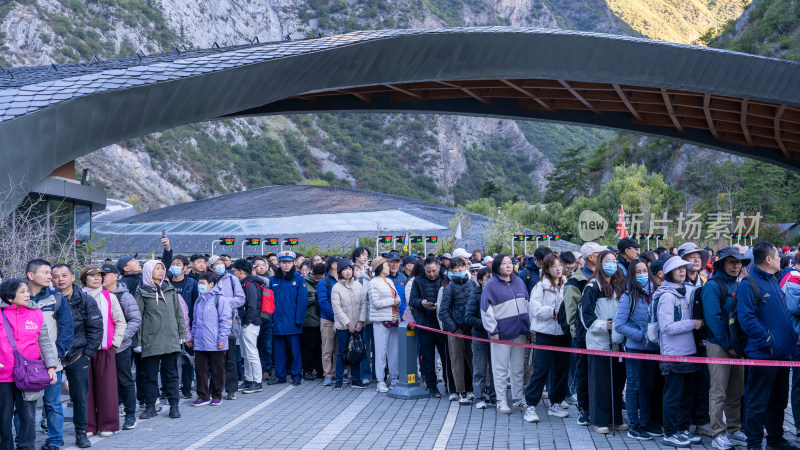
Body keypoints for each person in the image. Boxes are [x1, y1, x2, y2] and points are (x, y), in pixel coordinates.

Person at [738, 241, 799, 450]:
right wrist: (767, 340)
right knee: (757, 403)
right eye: (777, 255)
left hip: (782, 356)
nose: (781, 259)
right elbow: (747, 319)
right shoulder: (749, 284)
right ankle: (754, 443)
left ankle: (775, 439)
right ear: (768, 259)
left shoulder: (773, 281)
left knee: (778, 402)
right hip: (764, 356)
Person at [0, 279, 59, 450]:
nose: (28, 294)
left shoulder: (36, 313)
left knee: (28, 418)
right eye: (22, 292)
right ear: (10, 297)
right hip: (3, 376)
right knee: (3, 418)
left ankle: (26, 447)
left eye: (27, 291)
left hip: (29, 375)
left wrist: (51, 367)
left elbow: (45, 343)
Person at [702, 247, 750, 449]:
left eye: (738, 262)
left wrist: (737, 346)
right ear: (721, 264)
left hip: (737, 347)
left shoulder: (739, 284)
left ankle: (734, 428)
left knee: (736, 390)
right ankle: (718, 433)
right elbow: (714, 319)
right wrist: (728, 345)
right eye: (731, 262)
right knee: (718, 391)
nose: (736, 266)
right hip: (718, 345)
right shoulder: (713, 286)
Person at [51, 263, 103, 448]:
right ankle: (53, 434)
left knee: (80, 396)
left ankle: (81, 432)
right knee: (51, 396)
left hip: (78, 353)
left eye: (64, 275)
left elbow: (96, 328)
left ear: (72, 277)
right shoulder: (48, 300)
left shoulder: (85, 300)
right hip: (53, 355)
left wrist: (88, 353)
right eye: (56, 276)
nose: (60, 280)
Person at [655, 256, 704, 448]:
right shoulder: (667, 295)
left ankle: (682, 429)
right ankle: (670, 432)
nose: (683, 272)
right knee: (673, 396)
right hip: (673, 354)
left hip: (688, 352)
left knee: (686, 394)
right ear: (669, 273)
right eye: (678, 269)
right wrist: (692, 324)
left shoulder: (682, 292)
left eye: (684, 268)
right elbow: (666, 327)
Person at [25, 259, 73, 450]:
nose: (49, 277)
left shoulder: (57, 299)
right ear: (31, 275)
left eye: (49, 273)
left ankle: (54, 441)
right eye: (45, 273)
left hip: (51, 362)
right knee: (24, 405)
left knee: (53, 403)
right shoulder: (17, 297)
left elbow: (67, 329)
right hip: (25, 364)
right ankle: (24, 441)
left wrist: (57, 353)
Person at [614, 258, 661, 441]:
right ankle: (634, 425)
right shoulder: (628, 296)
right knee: (634, 386)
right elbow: (619, 325)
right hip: (635, 349)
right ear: (631, 276)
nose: (642, 275)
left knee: (648, 387)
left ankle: (646, 422)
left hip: (653, 348)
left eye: (644, 271)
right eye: (637, 272)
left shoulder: (656, 292)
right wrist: (641, 335)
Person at [134, 260, 187, 420]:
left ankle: (174, 406)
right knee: (149, 376)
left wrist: (182, 334)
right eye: (157, 269)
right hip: (151, 340)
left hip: (170, 338)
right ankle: (150, 407)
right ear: (149, 271)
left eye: (162, 269)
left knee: (171, 374)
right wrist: (138, 342)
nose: (161, 271)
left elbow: (179, 313)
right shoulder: (142, 291)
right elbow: (138, 318)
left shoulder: (170, 290)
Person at [581, 250, 627, 435]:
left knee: (617, 383)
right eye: (607, 261)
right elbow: (586, 317)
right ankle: (599, 420)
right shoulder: (592, 286)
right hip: (599, 342)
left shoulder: (620, 285)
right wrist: (603, 325)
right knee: (600, 382)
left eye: (614, 261)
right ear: (600, 264)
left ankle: (615, 419)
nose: (611, 264)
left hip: (618, 342)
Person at [79, 265, 126, 438]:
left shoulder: (109, 297)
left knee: (107, 389)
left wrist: (115, 342)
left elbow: (121, 321)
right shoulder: (79, 297)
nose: (97, 278)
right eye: (92, 276)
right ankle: (88, 425)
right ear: (85, 279)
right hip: (83, 350)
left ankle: (108, 424)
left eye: (99, 275)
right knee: (86, 389)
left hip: (105, 348)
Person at [480, 254, 530, 414]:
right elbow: (486, 311)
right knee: (500, 369)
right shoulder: (491, 285)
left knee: (517, 368)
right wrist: (493, 330)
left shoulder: (519, 281)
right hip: (501, 334)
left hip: (520, 332)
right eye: (504, 263)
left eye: (510, 263)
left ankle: (518, 399)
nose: (509, 266)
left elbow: (527, 304)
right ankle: (501, 401)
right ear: (496, 266)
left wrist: (529, 327)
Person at [524, 253, 570, 423]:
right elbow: (535, 309)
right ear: (547, 269)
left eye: (560, 265)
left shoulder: (568, 285)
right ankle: (530, 405)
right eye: (553, 266)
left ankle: (555, 403)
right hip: (545, 333)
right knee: (540, 370)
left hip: (564, 333)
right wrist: (553, 312)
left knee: (561, 370)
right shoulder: (539, 287)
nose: (558, 269)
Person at [564, 242, 604, 426]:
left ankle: (603, 406)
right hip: (583, 335)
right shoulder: (576, 281)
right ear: (592, 257)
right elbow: (571, 313)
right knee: (584, 372)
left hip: (605, 334)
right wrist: (577, 335)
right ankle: (584, 409)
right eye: (600, 253)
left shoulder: (607, 278)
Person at [677, 242, 712, 438]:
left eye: (698, 256)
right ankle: (683, 423)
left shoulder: (706, 282)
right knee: (685, 384)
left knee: (704, 381)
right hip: (681, 341)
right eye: (691, 256)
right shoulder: (678, 284)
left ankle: (701, 420)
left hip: (703, 341)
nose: (696, 259)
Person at [101, 263, 141, 432]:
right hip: (101, 347)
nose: (102, 278)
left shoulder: (124, 296)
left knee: (124, 380)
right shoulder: (94, 295)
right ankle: (109, 414)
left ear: (116, 276)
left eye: (106, 274)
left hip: (120, 347)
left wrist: (119, 338)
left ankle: (130, 413)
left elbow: (135, 319)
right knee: (105, 382)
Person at [190, 272, 232, 407]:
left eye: (203, 283)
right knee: (200, 371)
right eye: (199, 283)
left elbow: (225, 322)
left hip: (216, 342)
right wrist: (193, 337)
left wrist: (222, 340)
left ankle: (217, 395)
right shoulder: (199, 300)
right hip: (200, 343)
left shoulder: (220, 300)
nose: (200, 286)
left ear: (211, 285)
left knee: (217, 370)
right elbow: (195, 321)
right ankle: (203, 396)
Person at [409, 256, 448, 398]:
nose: (431, 274)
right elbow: (412, 301)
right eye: (428, 271)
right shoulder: (418, 281)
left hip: (442, 324)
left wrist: (441, 306)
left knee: (446, 356)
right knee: (428, 357)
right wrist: (422, 303)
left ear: (439, 267)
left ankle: (449, 384)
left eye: (434, 271)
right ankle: (432, 386)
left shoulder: (445, 279)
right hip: (426, 324)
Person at [268, 251, 308, 386]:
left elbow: (302, 302)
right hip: (277, 322)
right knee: (279, 352)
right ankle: (280, 376)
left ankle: (296, 376)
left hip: (292, 322)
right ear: (278, 263)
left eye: (289, 262)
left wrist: (299, 321)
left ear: (294, 263)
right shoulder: (273, 280)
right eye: (284, 262)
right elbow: (269, 302)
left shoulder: (299, 279)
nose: (286, 265)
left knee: (295, 352)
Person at [439, 256, 475, 404]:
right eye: (456, 268)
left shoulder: (472, 284)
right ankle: (460, 391)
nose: (460, 270)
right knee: (457, 361)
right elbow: (443, 312)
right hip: (456, 330)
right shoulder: (449, 288)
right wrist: (454, 328)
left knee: (473, 360)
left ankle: (473, 388)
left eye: (462, 267)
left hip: (472, 329)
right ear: (451, 270)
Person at [330, 259, 367, 390]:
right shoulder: (336, 288)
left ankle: (356, 379)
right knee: (341, 352)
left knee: (357, 352)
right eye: (345, 269)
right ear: (340, 272)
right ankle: (338, 380)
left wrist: (361, 322)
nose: (348, 271)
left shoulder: (358, 285)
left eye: (349, 269)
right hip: (343, 326)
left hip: (358, 325)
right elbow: (337, 308)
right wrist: (348, 323)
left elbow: (364, 304)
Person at [231, 259, 264, 394]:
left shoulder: (249, 284)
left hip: (250, 323)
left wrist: (246, 322)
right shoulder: (245, 283)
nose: (233, 272)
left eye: (235, 270)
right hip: (245, 323)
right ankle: (249, 380)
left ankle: (257, 381)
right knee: (246, 353)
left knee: (251, 353)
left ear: (241, 271)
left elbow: (252, 306)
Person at [368, 256, 401, 393]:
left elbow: (397, 296)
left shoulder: (389, 281)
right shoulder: (373, 283)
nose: (389, 267)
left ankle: (394, 378)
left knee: (394, 351)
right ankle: (380, 381)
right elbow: (375, 303)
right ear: (380, 267)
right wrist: (392, 301)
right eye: (387, 265)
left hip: (393, 318)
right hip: (381, 321)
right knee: (380, 352)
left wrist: (396, 300)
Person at [466, 267, 494, 409]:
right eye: (487, 277)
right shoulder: (475, 295)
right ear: (480, 280)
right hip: (480, 337)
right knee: (480, 369)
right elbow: (469, 317)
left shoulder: (498, 295)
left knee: (495, 369)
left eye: (492, 276)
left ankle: (494, 396)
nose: (490, 279)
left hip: (495, 337)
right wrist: (486, 324)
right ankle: (479, 397)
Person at [317, 258, 339, 386]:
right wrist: (335, 316)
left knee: (338, 350)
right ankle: (327, 374)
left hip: (341, 320)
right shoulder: (324, 282)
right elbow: (323, 302)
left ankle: (336, 373)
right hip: (327, 319)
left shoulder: (342, 280)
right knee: (327, 349)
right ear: (333, 265)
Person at [302, 264, 325, 381]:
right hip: (309, 321)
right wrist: (315, 298)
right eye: (318, 278)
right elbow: (302, 301)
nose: (320, 280)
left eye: (322, 278)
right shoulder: (304, 283)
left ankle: (320, 370)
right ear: (313, 274)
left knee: (321, 348)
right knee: (309, 347)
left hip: (323, 320)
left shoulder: (326, 283)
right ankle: (307, 370)